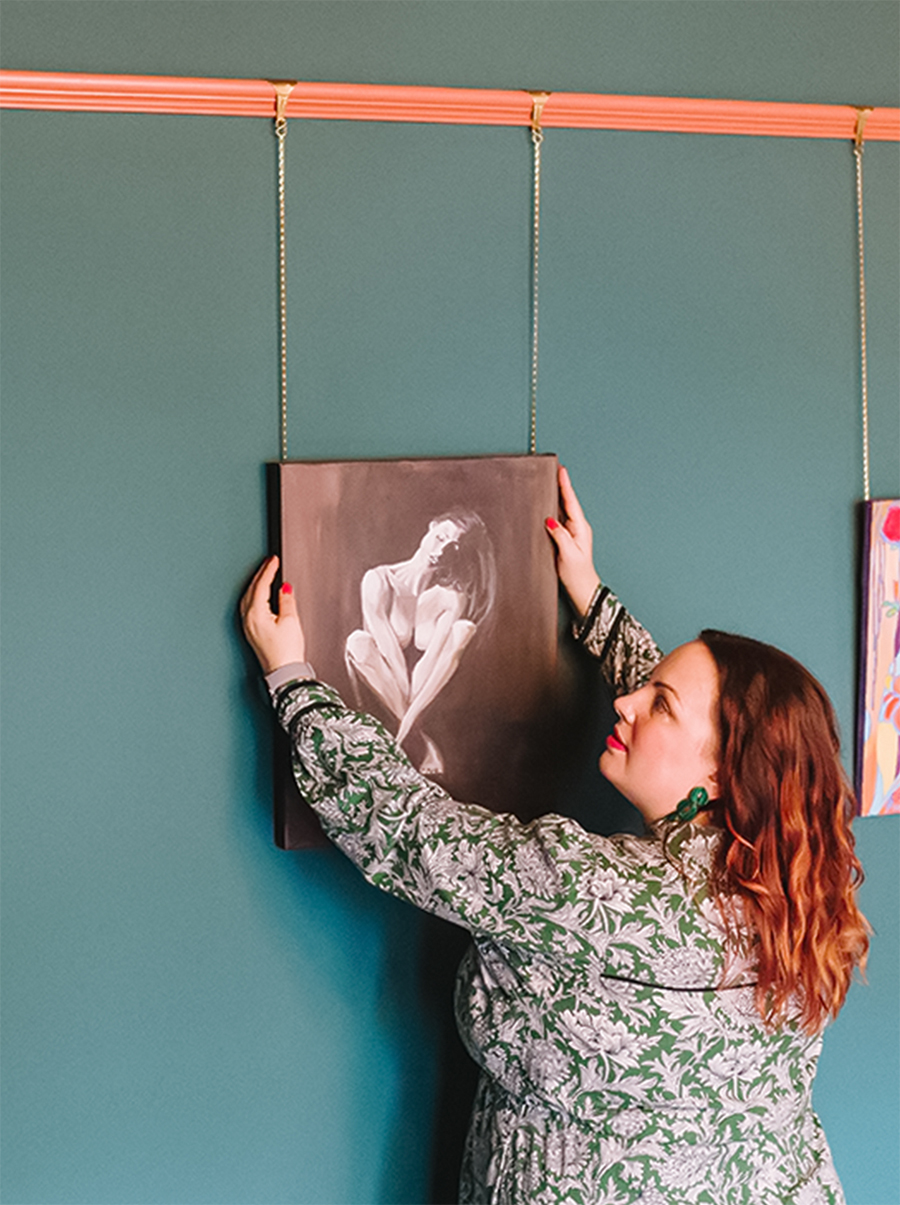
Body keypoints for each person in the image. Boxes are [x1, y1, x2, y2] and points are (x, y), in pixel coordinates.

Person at [241, 466, 869, 1205]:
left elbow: (404, 827)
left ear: (728, 771)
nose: (629, 701)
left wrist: (292, 679)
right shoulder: (800, 879)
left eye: (658, 704)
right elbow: (708, 719)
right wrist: (593, 601)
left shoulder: (588, 888)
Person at [344, 510, 497, 774]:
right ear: (431, 527)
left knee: (462, 630)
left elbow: (430, 661)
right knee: (358, 641)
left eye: (453, 546)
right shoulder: (379, 580)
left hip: (427, 694)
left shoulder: (450, 597)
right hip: (380, 679)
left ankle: (407, 733)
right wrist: (411, 726)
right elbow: (388, 651)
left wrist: (410, 718)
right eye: (440, 537)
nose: (441, 550)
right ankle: (418, 742)